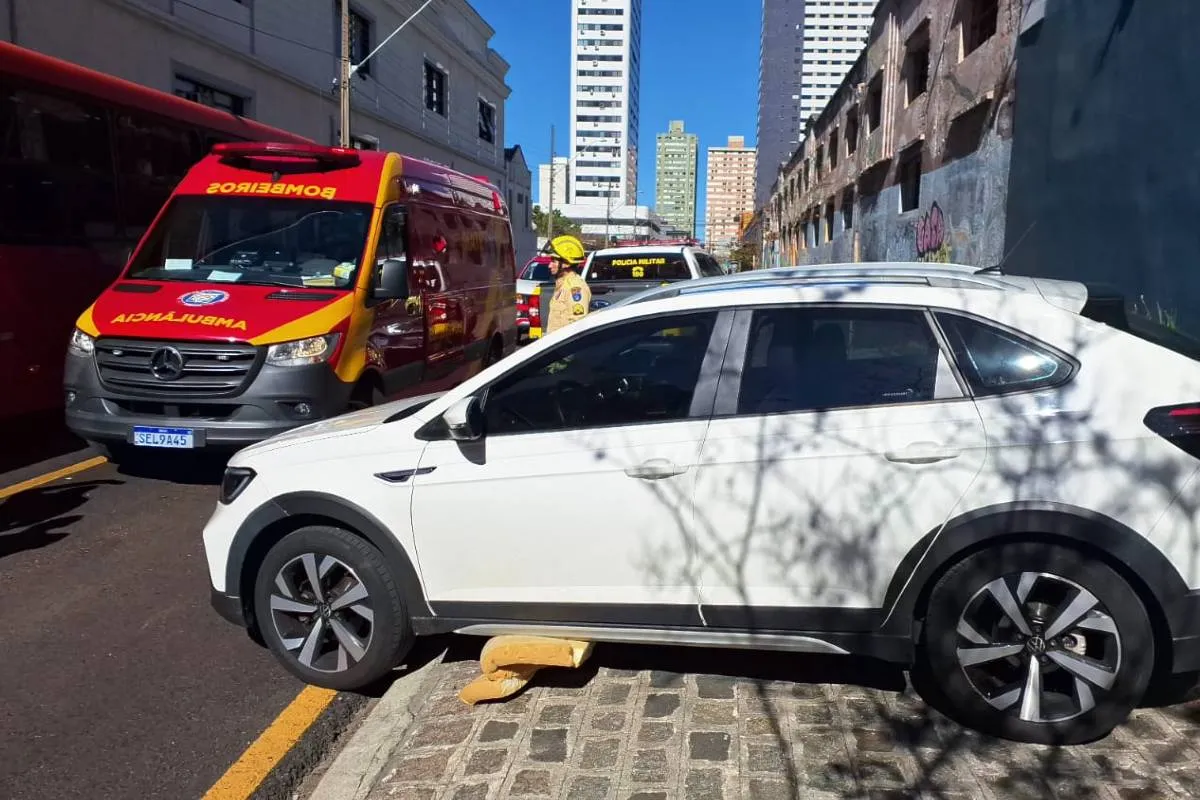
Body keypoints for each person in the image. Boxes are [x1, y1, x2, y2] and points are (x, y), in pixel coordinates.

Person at [544, 235, 591, 334]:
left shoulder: (575, 288)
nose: (549, 265)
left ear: (566, 264)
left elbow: (577, 325)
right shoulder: (562, 285)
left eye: (554, 261)